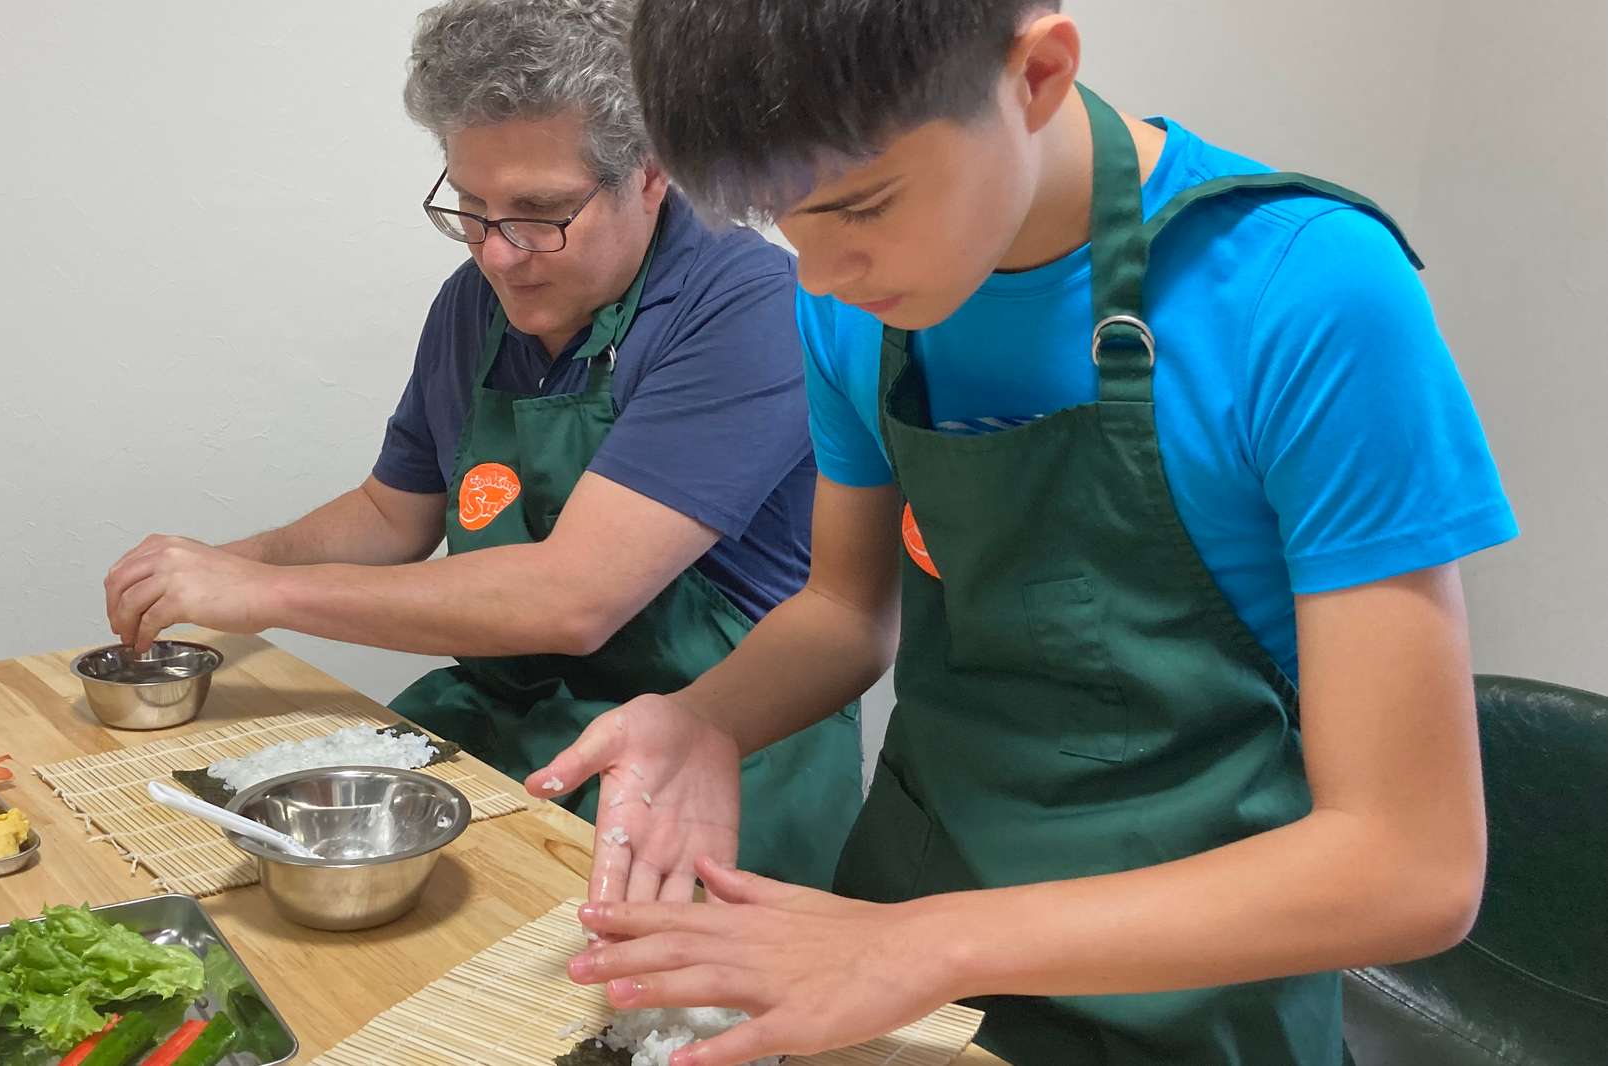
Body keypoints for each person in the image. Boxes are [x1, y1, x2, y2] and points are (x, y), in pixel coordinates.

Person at [529, 2, 1518, 1063]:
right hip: (906, 923)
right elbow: (842, 611)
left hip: (1184, 982)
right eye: (781, 218)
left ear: (1037, 74)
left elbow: (1409, 864)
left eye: (863, 205)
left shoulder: (1306, 294)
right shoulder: (851, 298)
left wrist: (938, 944)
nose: (817, 277)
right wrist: (703, 719)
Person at [100, 0, 861, 890]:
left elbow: (576, 596)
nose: (499, 255)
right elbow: (394, 510)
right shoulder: (478, 302)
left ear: (653, 174)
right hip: (511, 718)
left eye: (540, 213)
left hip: (710, 750)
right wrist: (221, 564)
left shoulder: (750, 309)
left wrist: (265, 592)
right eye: (471, 206)